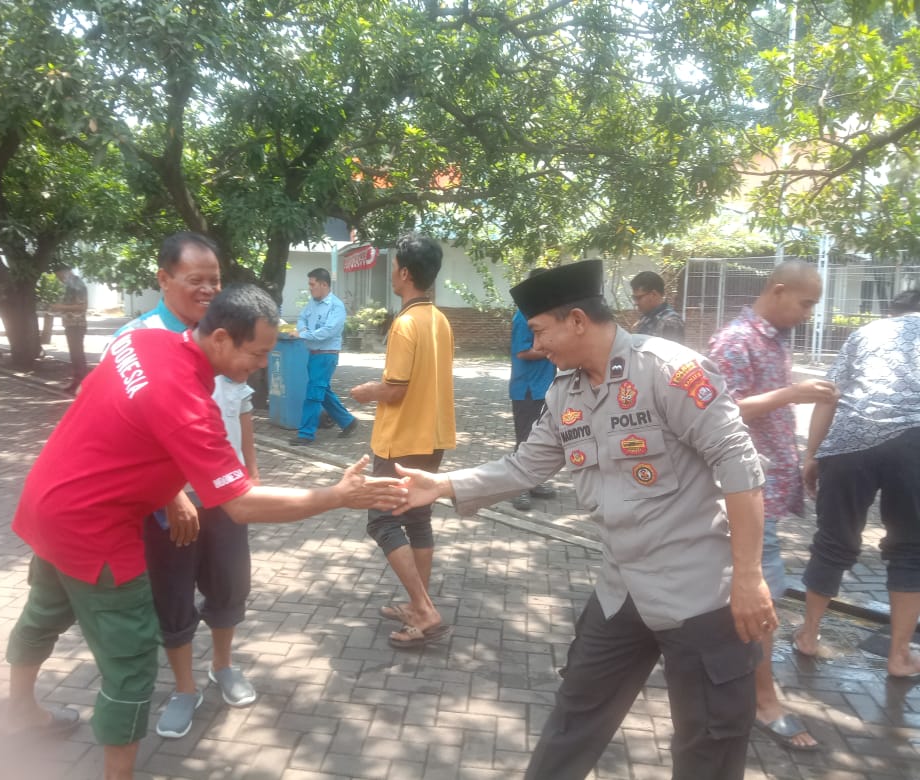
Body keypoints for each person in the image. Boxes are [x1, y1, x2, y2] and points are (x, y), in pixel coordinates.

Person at [3, 282, 403, 780]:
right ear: (219, 338)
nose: (263, 365)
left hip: (48, 501)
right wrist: (336, 496)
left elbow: (103, 405)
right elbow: (240, 504)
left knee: (44, 612)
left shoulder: (140, 340)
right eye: (257, 353)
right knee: (131, 664)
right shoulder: (189, 405)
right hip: (96, 529)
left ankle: (20, 712)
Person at [393, 259, 775, 779]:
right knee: (574, 719)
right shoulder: (564, 392)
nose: (536, 344)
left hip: (700, 592)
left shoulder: (668, 370)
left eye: (539, 330)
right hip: (623, 588)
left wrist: (749, 576)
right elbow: (526, 466)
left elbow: (739, 464)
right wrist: (440, 485)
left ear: (576, 321)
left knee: (709, 743)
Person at [111, 232, 256, 739]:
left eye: (214, 280)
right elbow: (126, 426)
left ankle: (223, 666)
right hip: (171, 501)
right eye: (196, 280)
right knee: (173, 593)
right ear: (164, 278)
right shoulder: (135, 339)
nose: (208, 289)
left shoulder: (224, 332)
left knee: (229, 582)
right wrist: (171, 495)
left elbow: (242, 406)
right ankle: (184, 687)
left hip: (228, 491)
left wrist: (252, 471)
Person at [708, 260, 834, 752]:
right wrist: (793, 393)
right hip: (746, 495)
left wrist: (802, 459)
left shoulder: (774, 339)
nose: (808, 314)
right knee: (762, 596)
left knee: (745, 595)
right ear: (778, 291)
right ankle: (762, 700)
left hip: (766, 489)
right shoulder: (736, 341)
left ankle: (722, 675)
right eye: (805, 303)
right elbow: (721, 411)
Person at [793, 288, 920, 680]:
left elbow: (828, 397)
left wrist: (812, 455)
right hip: (914, 443)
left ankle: (808, 635)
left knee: (833, 539)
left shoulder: (865, 334)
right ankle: (899, 656)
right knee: (912, 550)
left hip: (850, 442)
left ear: (891, 313)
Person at [350, 233, 456, 649]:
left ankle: (423, 610)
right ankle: (418, 605)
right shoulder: (439, 319)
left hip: (401, 439)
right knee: (417, 518)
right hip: (433, 436)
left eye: (394, 266)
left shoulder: (405, 323)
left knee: (381, 520)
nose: (392, 273)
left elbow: (395, 389)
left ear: (406, 273)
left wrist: (366, 392)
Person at [291, 267, 358, 445]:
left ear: (324, 284)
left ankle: (306, 434)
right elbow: (302, 318)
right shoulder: (312, 303)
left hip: (326, 355)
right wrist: (303, 329)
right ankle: (348, 422)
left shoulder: (336, 306)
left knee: (313, 393)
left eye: (312, 284)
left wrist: (304, 334)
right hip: (313, 354)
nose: (310, 288)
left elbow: (328, 331)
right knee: (322, 391)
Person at [509, 268, 557, 511]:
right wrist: (551, 349)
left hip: (543, 388)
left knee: (538, 439)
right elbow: (522, 352)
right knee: (525, 440)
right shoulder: (523, 316)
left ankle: (534, 482)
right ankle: (518, 489)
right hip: (527, 388)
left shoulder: (543, 314)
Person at [48, 264, 89, 394]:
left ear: (66, 272)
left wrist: (60, 307)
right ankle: (77, 382)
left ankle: (82, 384)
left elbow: (82, 306)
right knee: (74, 355)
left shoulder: (78, 285)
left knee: (77, 355)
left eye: (60, 276)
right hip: (70, 323)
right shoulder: (70, 285)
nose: (59, 279)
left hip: (77, 324)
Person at [631, 270, 685, 343]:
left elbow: (671, 350)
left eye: (639, 298)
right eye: (634, 298)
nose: (636, 302)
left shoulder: (670, 321)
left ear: (653, 294)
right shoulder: (646, 317)